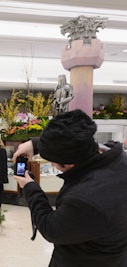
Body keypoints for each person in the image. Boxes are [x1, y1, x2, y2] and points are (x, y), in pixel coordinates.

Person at [12, 109, 127, 267]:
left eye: (52, 160)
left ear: (69, 164)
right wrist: (35, 144)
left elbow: (50, 228)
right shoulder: (118, 158)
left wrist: (30, 187)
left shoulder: (85, 200)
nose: (51, 163)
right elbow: (76, 140)